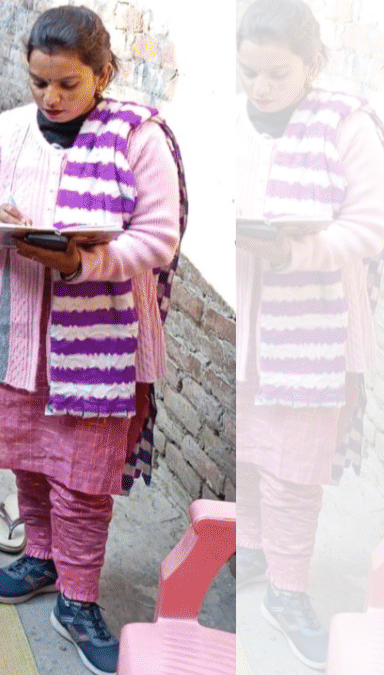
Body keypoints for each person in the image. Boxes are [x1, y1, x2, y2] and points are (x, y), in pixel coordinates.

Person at [0, 6, 186, 674]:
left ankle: (78, 599)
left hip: (99, 345)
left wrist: (83, 263)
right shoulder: (6, 131)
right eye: (38, 83)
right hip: (16, 329)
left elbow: (157, 238)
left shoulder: (138, 139)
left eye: (68, 85)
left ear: (103, 75)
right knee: (30, 457)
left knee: (83, 478)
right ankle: (41, 558)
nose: (50, 99)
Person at [234, 0, 384, 669]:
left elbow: (371, 225)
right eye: (250, 73)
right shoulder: (229, 115)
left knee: (295, 464)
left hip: (311, 324)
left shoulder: (346, 123)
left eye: (277, 74)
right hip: (248, 318)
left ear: (314, 64)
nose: (261, 88)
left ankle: (288, 592)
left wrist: (295, 250)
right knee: (252, 450)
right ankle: (258, 551)